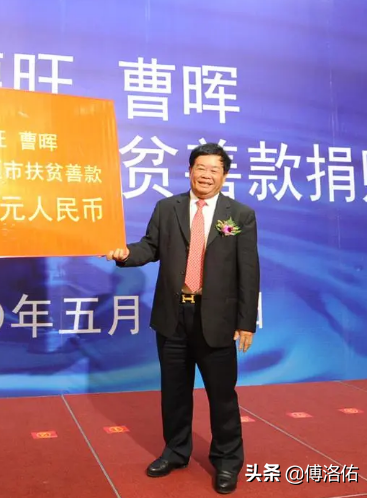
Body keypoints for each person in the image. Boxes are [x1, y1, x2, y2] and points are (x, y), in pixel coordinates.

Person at [106, 143, 260, 494]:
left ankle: (227, 460)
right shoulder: (167, 208)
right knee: (174, 392)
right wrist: (126, 253)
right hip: (172, 316)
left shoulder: (240, 215)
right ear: (190, 170)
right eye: (200, 168)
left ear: (224, 176)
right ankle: (176, 452)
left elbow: (248, 271)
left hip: (217, 319)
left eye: (214, 170)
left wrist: (245, 322)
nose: (206, 175)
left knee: (222, 396)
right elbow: (150, 247)